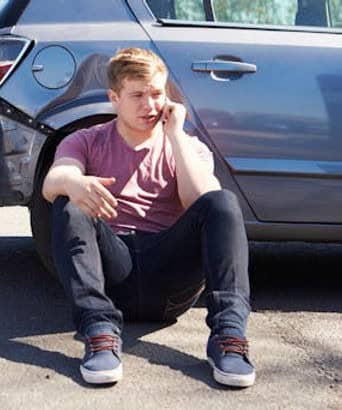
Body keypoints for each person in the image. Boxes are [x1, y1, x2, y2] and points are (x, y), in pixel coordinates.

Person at [42, 48, 255, 387]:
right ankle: (99, 332)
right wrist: (75, 182)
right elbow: (52, 183)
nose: (150, 105)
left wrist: (174, 136)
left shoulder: (188, 146)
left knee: (223, 203)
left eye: (157, 94)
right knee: (68, 202)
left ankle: (228, 339)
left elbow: (204, 200)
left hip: (170, 279)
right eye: (137, 95)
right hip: (114, 275)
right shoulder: (85, 140)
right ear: (115, 98)